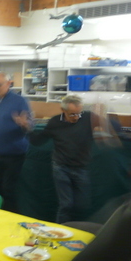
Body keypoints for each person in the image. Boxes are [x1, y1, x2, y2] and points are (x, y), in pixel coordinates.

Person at [29, 95, 98, 223]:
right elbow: (37, 141)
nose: (76, 117)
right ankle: (60, 229)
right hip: (61, 167)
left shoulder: (88, 117)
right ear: (63, 110)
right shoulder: (55, 122)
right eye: (72, 114)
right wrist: (27, 128)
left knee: (84, 205)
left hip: (81, 167)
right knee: (66, 204)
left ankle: (78, 229)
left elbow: (112, 124)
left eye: (79, 113)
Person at [0, 72, 32, 213]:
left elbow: (30, 126)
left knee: (8, 189)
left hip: (14, 153)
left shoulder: (20, 101)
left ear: (9, 84)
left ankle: (10, 217)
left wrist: (24, 124)